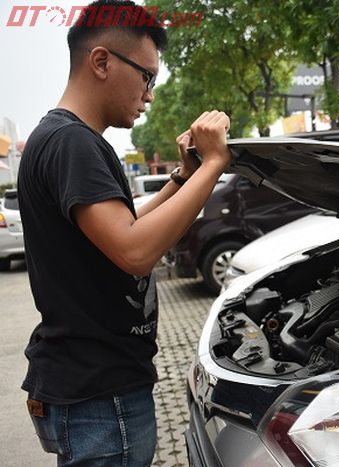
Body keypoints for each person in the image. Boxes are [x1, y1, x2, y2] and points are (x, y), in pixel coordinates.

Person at [17, 1, 231, 465]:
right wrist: (214, 165)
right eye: (147, 77)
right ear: (101, 61)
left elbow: (125, 230)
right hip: (100, 397)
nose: (149, 95)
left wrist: (182, 177)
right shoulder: (72, 142)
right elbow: (135, 251)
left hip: (90, 387)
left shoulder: (67, 138)